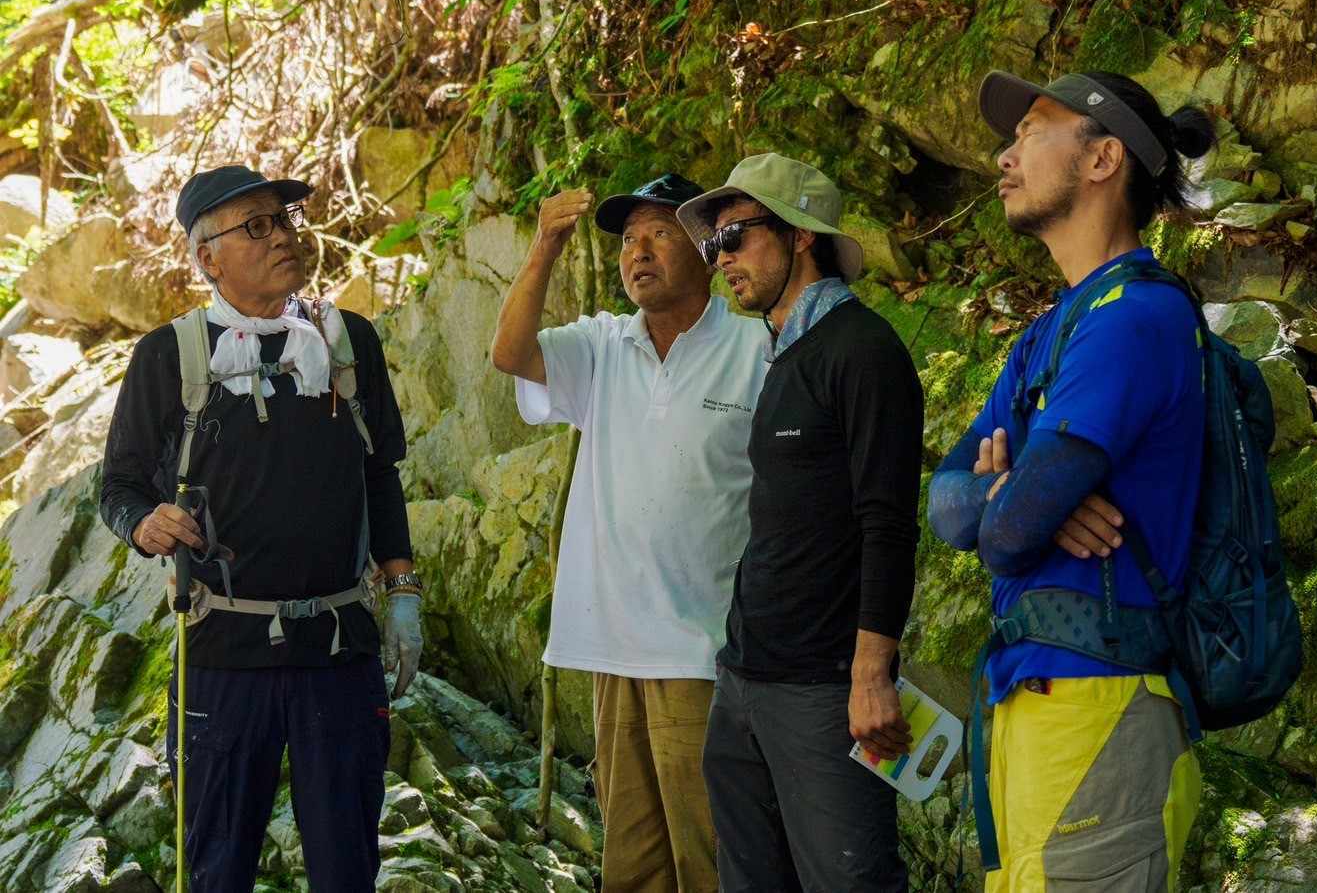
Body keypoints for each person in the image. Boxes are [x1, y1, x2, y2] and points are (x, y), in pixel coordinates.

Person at [928, 70, 1215, 890]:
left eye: (1031, 132)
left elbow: (1004, 535)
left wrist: (1018, 502)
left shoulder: (1135, 318)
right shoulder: (1051, 330)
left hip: (1103, 704)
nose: (1003, 155)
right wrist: (1025, 496)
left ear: (1101, 160)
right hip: (1035, 700)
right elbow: (946, 503)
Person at [101, 165, 422, 892]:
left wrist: (404, 595)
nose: (281, 236)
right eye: (256, 225)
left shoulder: (346, 342)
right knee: (218, 868)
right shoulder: (170, 355)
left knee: (347, 867)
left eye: (283, 219)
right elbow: (117, 487)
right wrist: (143, 523)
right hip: (220, 653)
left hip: (338, 650)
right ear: (207, 258)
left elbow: (379, 476)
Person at [491, 172, 770, 893]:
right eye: (627, 240)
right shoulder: (602, 345)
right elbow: (510, 353)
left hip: (705, 650)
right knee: (633, 862)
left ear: (707, 250)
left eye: (660, 234)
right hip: (612, 648)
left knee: (710, 854)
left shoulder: (757, 348)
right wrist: (545, 246)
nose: (637, 252)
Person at [675, 153, 924, 893]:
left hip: (823, 687)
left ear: (800, 235)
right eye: (713, 244)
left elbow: (888, 523)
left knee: (849, 881)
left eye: (735, 237)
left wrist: (870, 675)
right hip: (745, 675)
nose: (721, 259)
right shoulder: (784, 353)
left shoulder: (862, 351)